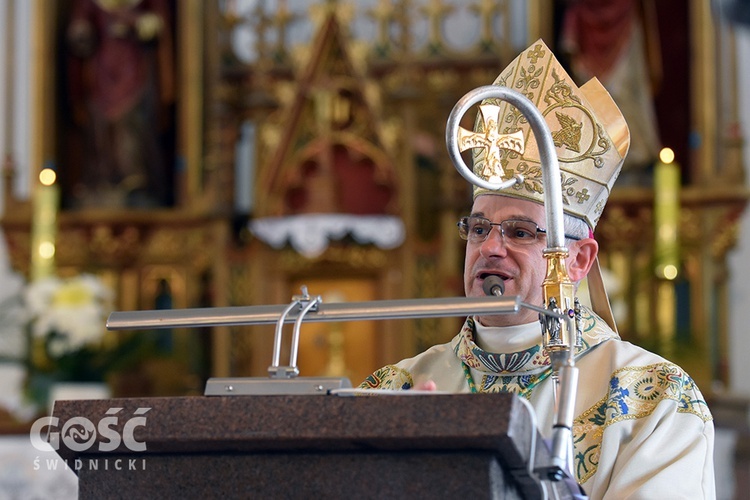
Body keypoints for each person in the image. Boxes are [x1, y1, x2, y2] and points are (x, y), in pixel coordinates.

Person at [359, 40, 715, 499]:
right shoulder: (395, 390)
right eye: (479, 227)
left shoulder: (655, 401)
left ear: (578, 260)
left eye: (521, 232)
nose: (490, 247)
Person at [67, 0, 174, 208]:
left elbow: (158, 23)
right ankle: (102, 179)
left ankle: (137, 179)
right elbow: (80, 24)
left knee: (131, 122)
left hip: (133, 66)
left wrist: (134, 22)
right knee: (99, 124)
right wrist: (81, 29)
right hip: (101, 68)